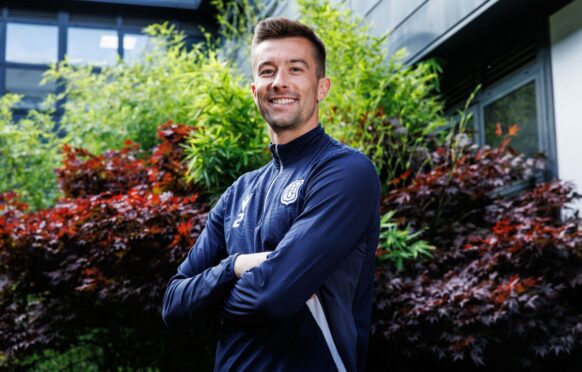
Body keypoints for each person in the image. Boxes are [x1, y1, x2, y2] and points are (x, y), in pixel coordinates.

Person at [162, 16, 381, 372]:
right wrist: (235, 266)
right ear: (254, 89)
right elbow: (173, 305)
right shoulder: (238, 193)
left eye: (296, 70)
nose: (279, 82)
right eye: (267, 71)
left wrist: (208, 298)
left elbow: (270, 298)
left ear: (321, 87)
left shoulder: (345, 172)